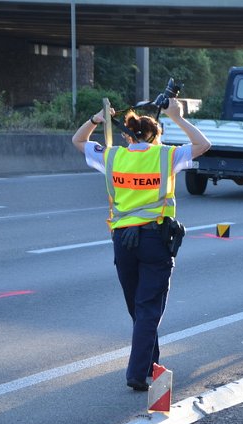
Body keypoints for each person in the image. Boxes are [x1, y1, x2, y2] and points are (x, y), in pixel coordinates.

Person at [72, 99, 211, 391]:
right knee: (148, 308)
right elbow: (203, 144)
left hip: (122, 240)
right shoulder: (165, 156)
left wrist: (97, 119)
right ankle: (137, 373)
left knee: (139, 307)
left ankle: (149, 362)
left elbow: (78, 140)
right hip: (154, 239)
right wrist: (178, 118)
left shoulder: (111, 157)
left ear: (127, 136)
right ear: (156, 135)